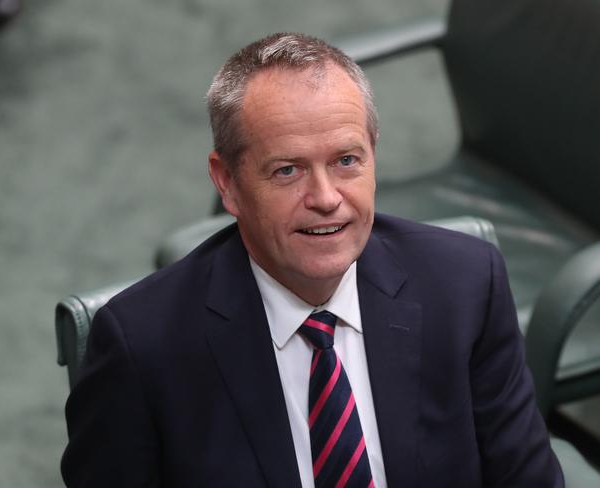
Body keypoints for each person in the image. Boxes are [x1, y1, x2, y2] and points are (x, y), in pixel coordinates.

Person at [61, 33, 563, 487]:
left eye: (347, 160)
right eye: (287, 170)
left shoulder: (467, 285)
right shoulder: (142, 348)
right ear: (228, 183)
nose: (326, 198)